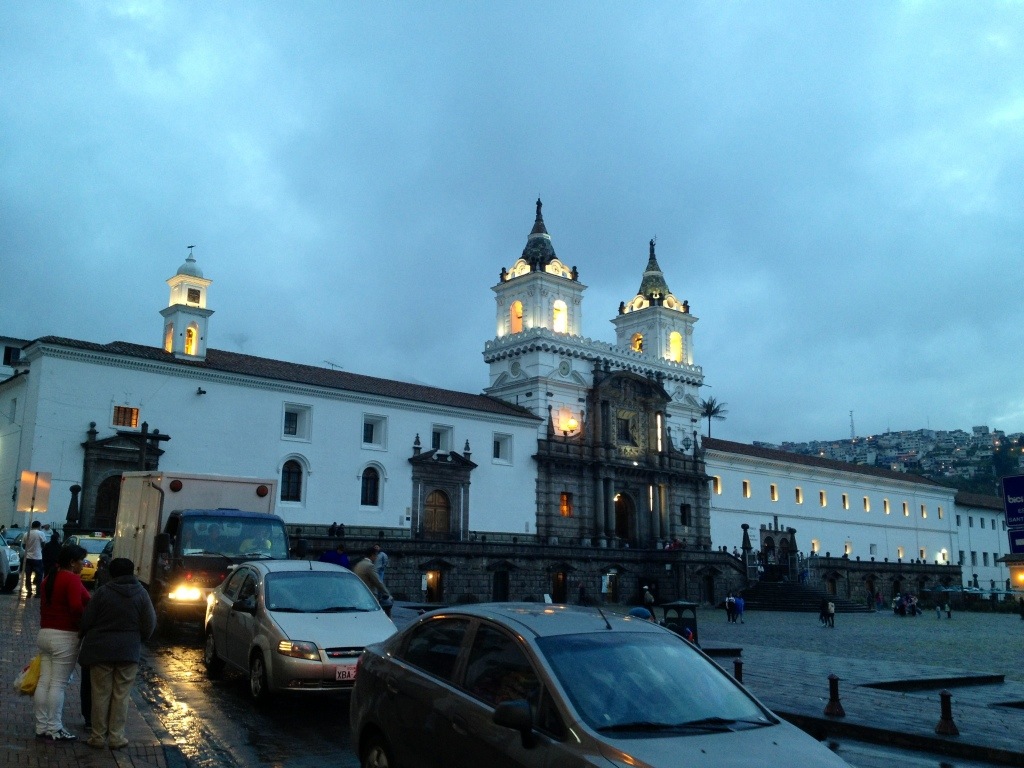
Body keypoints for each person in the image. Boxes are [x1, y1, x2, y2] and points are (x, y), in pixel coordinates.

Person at [78, 557, 156, 750]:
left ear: (111, 573)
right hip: (128, 651)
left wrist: (83, 634)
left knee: (100, 694)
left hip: (100, 651)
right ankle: (116, 737)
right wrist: (138, 639)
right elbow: (149, 623)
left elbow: (87, 619)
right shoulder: (141, 593)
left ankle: (97, 736)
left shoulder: (102, 592)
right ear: (132, 572)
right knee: (121, 695)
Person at [34, 543, 90, 741]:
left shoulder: (49, 578)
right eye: (81, 561)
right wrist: (82, 623)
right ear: (72, 562)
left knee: (44, 682)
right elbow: (77, 605)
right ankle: (55, 727)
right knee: (58, 684)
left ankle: (41, 725)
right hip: (65, 636)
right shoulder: (71, 579)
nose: (83, 565)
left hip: (45, 633)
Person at [23, 520, 46, 598]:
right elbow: (43, 544)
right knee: (39, 576)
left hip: (28, 557)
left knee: (28, 575)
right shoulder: (40, 533)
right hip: (37, 557)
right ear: (39, 526)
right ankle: (38, 592)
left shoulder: (26, 534)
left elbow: (24, 545)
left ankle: (29, 591)